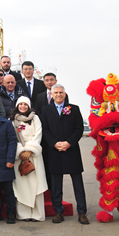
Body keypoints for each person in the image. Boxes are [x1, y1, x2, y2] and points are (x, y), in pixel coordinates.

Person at [40, 84, 89, 225]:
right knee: (56, 185)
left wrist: (69, 143)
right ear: (52, 94)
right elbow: (45, 129)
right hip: (55, 151)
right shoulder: (46, 110)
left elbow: (79, 128)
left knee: (78, 184)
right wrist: (54, 144)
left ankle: (82, 212)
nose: (58, 95)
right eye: (56, 92)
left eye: (61, 92)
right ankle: (58, 212)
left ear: (65, 94)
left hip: (71, 150)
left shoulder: (74, 109)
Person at [10, 96, 48, 222]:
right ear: (17, 106)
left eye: (25, 104)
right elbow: (12, 137)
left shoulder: (35, 118)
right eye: (20, 104)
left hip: (34, 155)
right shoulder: (13, 120)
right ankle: (23, 214)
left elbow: (38, 134)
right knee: (22, 186)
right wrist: (21, 151)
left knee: (36, 185)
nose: (23, 106)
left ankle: (38, 214)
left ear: (29, 106)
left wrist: (30, 150)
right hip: (20, 156)